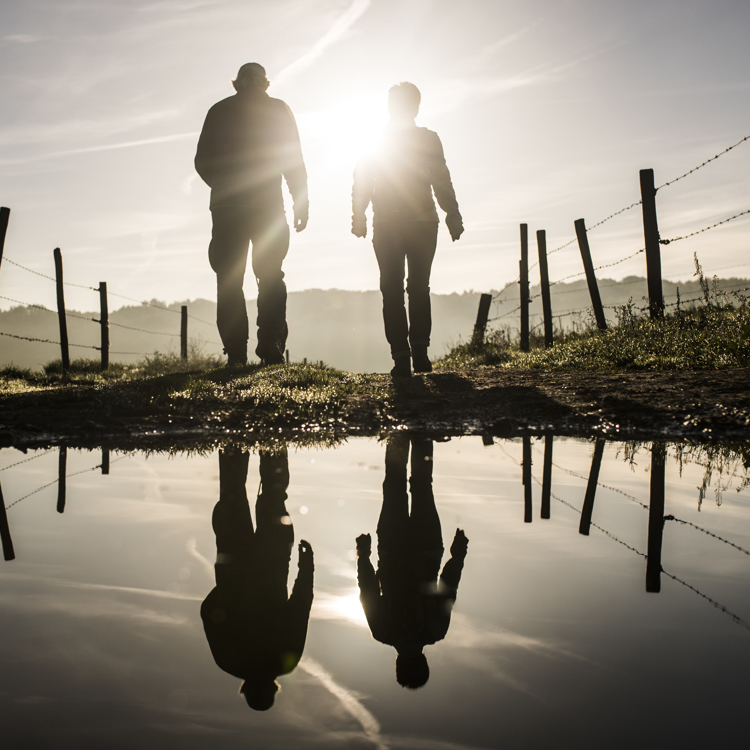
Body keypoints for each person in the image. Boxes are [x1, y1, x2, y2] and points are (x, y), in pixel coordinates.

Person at [195, 63, 309, 366]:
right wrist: (301, 202)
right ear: (265, 83)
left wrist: (222, 186)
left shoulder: (218, 110)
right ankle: (270, 346)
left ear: (238, 84)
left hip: (226, 207)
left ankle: (235, 354)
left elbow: (201, 161)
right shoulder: (279, 110)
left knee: (229, 280)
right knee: (270, 275)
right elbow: (293, 160)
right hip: (267, 207)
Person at [351, 82, 464, 377]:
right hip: (420, 222)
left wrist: (359, 214)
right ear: (416, 107)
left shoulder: (377, 139)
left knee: (393, 289)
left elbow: (363, 180)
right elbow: (441, 179)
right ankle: (417, 355)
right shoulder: (427, 139)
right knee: (416, 288)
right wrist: (452, 214)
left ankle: (404, 357)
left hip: (393, 223)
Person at [201, 448, 314, 710]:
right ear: (245, 690)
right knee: (232, 494)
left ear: (274, 689)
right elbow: (208, 611)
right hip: (234, 567)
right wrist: (227, 588)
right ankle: (234, 438)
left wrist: (306, 565)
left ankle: (272, 438)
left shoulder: (287, 661)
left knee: (273, 495)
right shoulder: (227, 662)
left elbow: (301, 605)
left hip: (271, 565)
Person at [355, 435, 468, 689]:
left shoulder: (435, 632)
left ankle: (423, 433)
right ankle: (398, 431)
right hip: (393, 548)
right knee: (394, 485)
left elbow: (448, 587)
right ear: (397, 665)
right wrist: (363, 556)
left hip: (426, 548)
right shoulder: (382, 632)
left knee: (422, 484)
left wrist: (458, 556)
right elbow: (368, 591)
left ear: (425, 663)